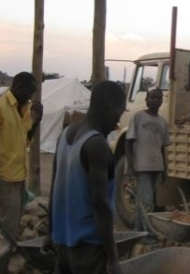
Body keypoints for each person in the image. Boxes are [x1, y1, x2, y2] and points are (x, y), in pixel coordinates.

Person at [44, 81, 126, 274]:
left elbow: (54, 191)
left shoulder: (65, 135)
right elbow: (101, 205)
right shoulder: (96, 145)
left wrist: (50, 233)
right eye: (119, 114)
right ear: (111, 108)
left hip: (62, 243)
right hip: (88, 249)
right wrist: (113, 258)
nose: (118, 122)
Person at [0, 72, 43, 241]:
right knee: (4, 231)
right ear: (18, 88)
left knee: (11, 227)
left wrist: (37, 120)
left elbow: (25, 139)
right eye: (29, 92)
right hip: (4, 180)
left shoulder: (24, 109)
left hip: (18, 179)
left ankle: (2, 262)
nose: (30, 97)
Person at [124, 88, 169, 245]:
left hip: (156, 167)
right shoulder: (138, 117)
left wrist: (165, 168)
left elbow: (163, 147)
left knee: (144, 203)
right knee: (148, 202)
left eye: (159, 98)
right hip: (141, 167)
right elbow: (129, 142)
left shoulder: (163, 122)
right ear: (147, 100)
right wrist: (129, 166)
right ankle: (149, 235)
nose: (157, 100)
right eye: (153, 98)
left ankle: (137, 233)